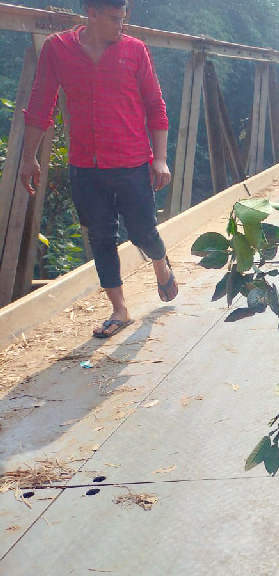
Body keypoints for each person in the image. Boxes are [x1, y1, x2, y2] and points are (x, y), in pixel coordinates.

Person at [19, 0, 176, 338]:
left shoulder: (135, 51)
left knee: (143, 234)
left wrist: (160, 158)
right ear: (91, 13)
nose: (122, 25)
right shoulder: (57, 49)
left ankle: (161, 263)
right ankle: (119, 310)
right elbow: (40, 103)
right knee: (101, 237)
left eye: (124, 18)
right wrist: (28, 157)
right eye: (115, 18)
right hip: (85, 165)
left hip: (133, 162)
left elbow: (155, 105)